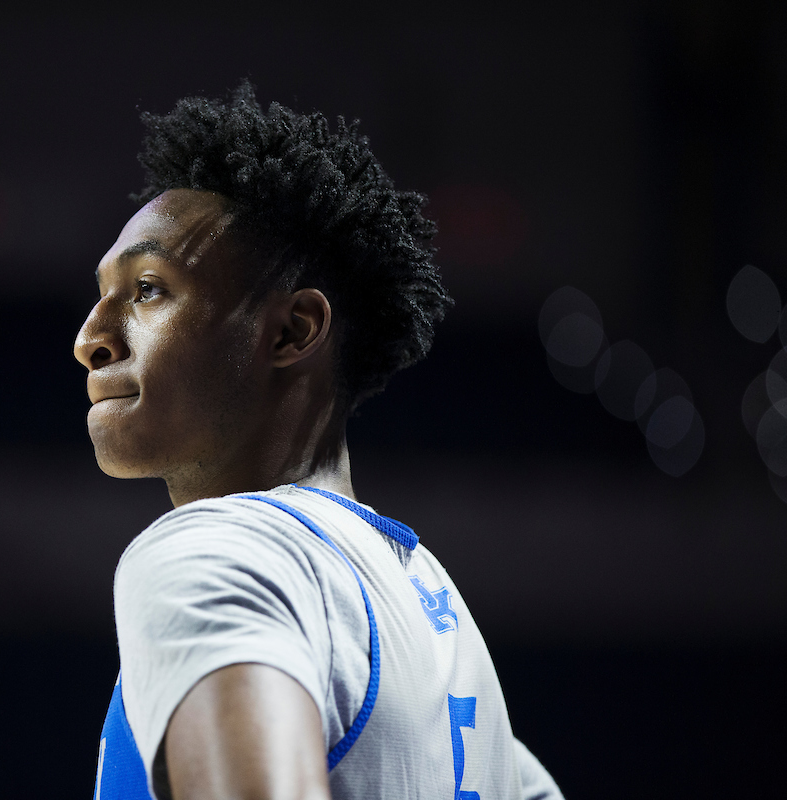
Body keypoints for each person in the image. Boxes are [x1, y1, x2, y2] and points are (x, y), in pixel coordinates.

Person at [75, 82, 562, 800]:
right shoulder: (451, 639)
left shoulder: (216, 552)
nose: (90, 337)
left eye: (148, 289)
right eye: (102, 294)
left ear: (292, 331)